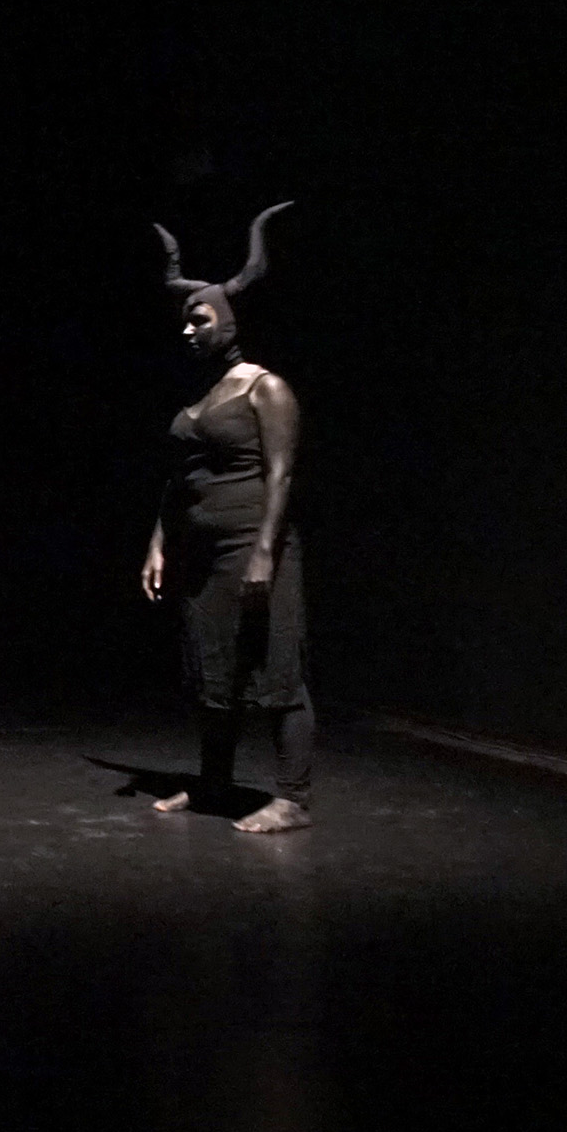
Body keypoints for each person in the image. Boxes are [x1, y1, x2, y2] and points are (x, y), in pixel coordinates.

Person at [139, 204, 315, 833]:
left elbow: (281, 475)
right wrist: (158, 542)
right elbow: (177, 479)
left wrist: (265, 551)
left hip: (251, 546)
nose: (188, 329)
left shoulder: (265, 388)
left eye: (200, 318)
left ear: (230, 320)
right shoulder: (202, 395)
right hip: (201, 553)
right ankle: (214, 784)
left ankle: (292, 798)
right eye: (186, 319)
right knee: (213, 673)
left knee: (277, 672)